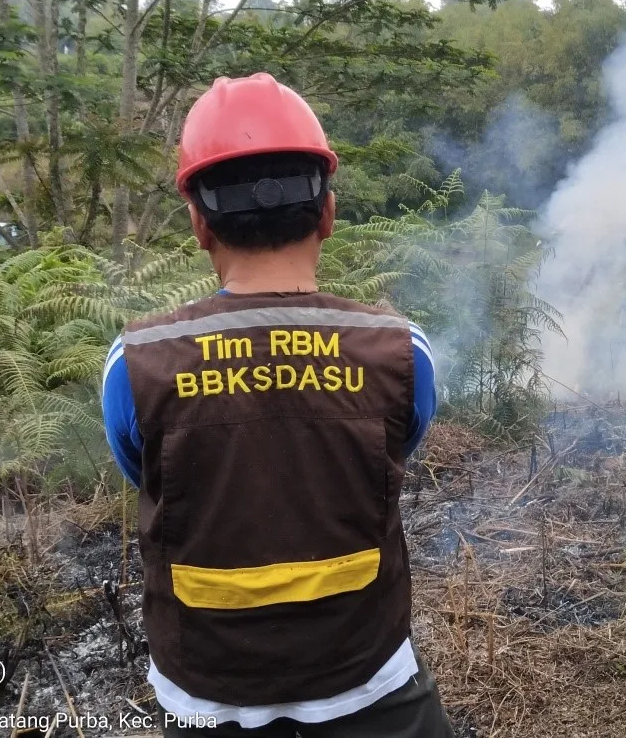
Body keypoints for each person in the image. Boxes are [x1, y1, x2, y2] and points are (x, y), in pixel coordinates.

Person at [99, 73, 451, 737]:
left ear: (199, 223)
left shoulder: (136, 364)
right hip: (365, 678)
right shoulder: (400, 351)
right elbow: (390, 452)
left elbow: (149, 475)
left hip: (205, 688)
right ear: (327, 213)